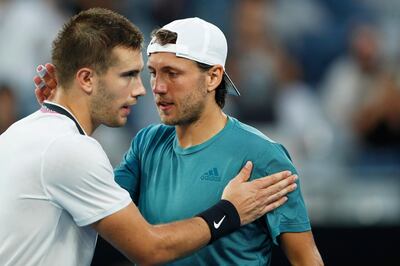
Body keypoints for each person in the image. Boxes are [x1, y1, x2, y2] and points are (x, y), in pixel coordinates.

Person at [0, 9, 298, 266]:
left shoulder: (22, 133)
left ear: (214, 77)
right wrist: (230, 212)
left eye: (167, 73)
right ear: (86, 79)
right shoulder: (72, 148)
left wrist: (66, 97)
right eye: (130, 75)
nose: (145, 89)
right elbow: (150, 248)